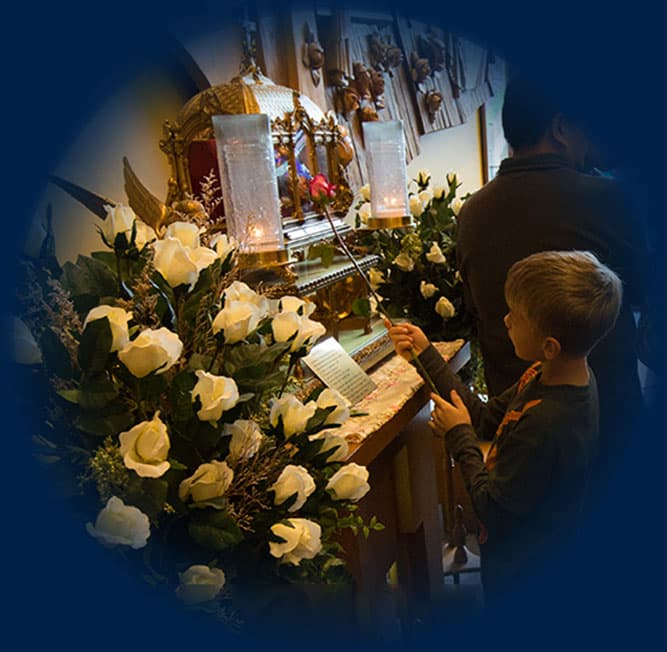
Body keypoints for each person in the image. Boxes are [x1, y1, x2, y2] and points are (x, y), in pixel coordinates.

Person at [385, 250, 622, 602]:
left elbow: (492, 509)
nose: (506, 319)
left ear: (550, 345)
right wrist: (426, 354)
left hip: (528, 570)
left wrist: (458, 435)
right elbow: (484, 417)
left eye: (518, 316)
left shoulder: (548, 421)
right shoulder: (544, 373)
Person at [455, 75, 649, 491]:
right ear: (560, 128)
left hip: (518, 424)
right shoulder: (609, 198)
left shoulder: (472, 212)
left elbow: (476, 311)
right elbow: (646, 291)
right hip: (602, 416)